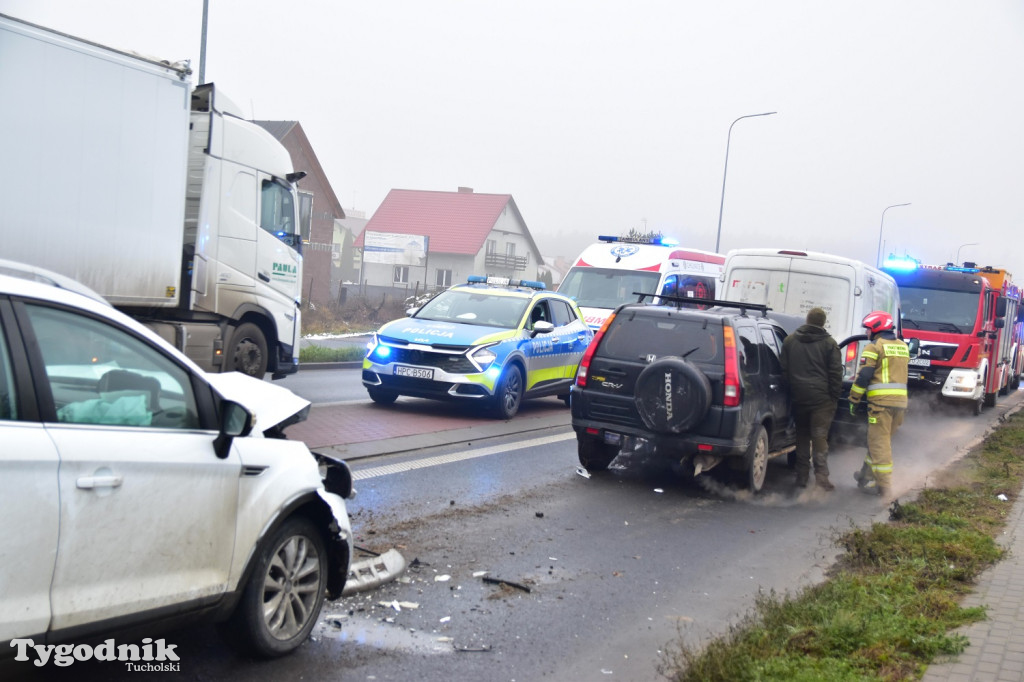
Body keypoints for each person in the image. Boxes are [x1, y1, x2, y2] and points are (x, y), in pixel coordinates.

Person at [847, 310, 909, 498]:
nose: (866, 332)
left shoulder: (874, 347)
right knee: (878, 442)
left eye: (868, 329)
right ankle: (865, 476)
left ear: (876, 328)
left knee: (879, 445)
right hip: (900, 404)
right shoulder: (902, 346)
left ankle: (884, 487)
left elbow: (864, 376)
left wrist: (854, 399)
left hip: (880, 405)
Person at [780, 307, 843, 490]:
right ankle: (822, 478)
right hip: (822, 400)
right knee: (819, 437)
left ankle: (801, 477)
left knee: (801, 436)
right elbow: (836, 374)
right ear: (823, 323)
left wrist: (791, 391)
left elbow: (784, 370)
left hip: (798, 397)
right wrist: (834, 397)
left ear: (807, 320)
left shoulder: (790, 341)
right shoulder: (830, 344)